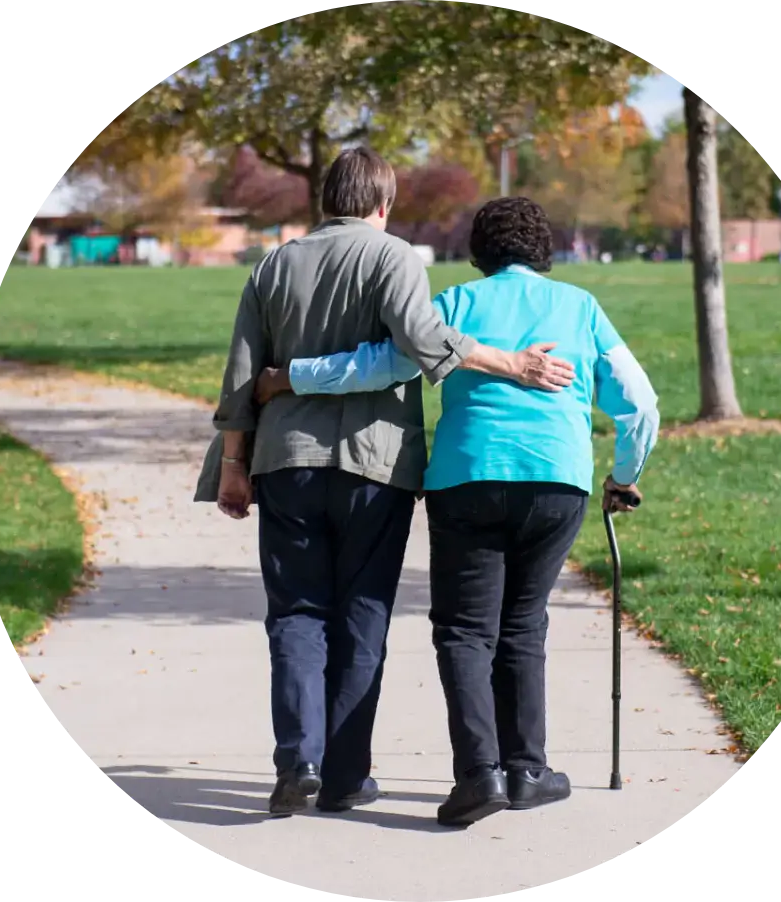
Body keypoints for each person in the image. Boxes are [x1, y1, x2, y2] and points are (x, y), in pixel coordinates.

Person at [253, 196, 660, 827]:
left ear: (479, 252)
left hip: (465, 480)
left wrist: (291, 377)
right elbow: (639, 403)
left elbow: (377, 366)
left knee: (466, 631)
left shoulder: (454, 304)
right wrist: (623, 478)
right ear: (543, 249)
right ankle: (527, 770)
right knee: (523, 623)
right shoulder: (581, 307)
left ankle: (478, 775)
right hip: (557, 480)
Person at [196, 150, 577, 819]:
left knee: (296, 615)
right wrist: (512, 365)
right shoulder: (394, 257)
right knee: (361, 617)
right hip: (377, 468)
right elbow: (424, 342)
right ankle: (345, 777)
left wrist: (233, 465)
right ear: (384, 203)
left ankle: (298, 761)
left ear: (325, 201)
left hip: (285, 460)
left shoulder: (275, 265)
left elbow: (242, 374)